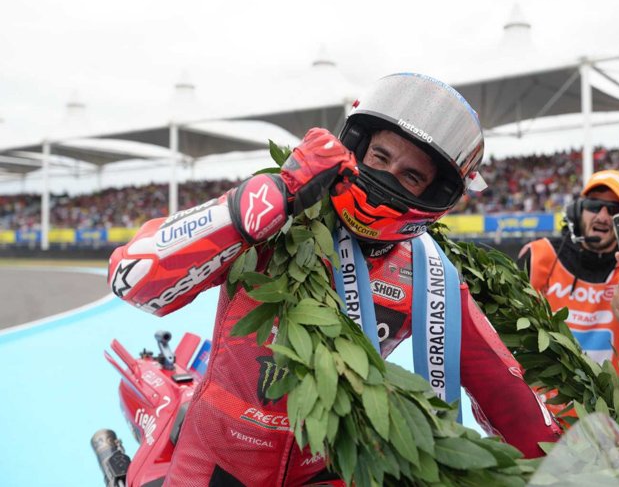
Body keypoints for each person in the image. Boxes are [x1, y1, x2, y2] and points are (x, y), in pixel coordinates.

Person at [108, 73, 561, 486]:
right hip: (214, 463)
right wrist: (263, 201)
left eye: (411, 175)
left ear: (436, 195)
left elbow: (512, 402)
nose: (385, 176)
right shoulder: (276, 221)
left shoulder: (432, 277)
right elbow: (132, 279)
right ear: (356, 147)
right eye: (379, 155)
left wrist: (572, 469)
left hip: (329, 468)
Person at [518, 169, 619, 394]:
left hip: (611, 408)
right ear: (577, 211)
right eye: (593, 206)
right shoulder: (539, 255)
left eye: (614, 210)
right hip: (540, 407)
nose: (601, 216)